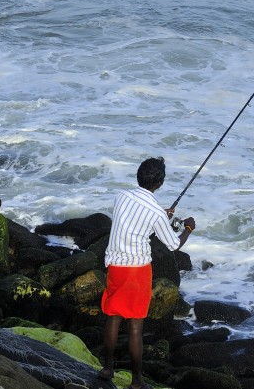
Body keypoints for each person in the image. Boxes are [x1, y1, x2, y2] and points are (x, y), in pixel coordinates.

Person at [98, 156, 195, 389]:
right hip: (137, 272)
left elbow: (134, 218)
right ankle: (137, 381)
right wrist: (189, 228)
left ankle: (107, 368)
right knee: (135, 326)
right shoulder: (156, 213)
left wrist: (161, 216)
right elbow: (173, 244)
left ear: (138, 175)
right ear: (159, 183)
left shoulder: (121, 196)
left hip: (115, 266)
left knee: (113, 317)